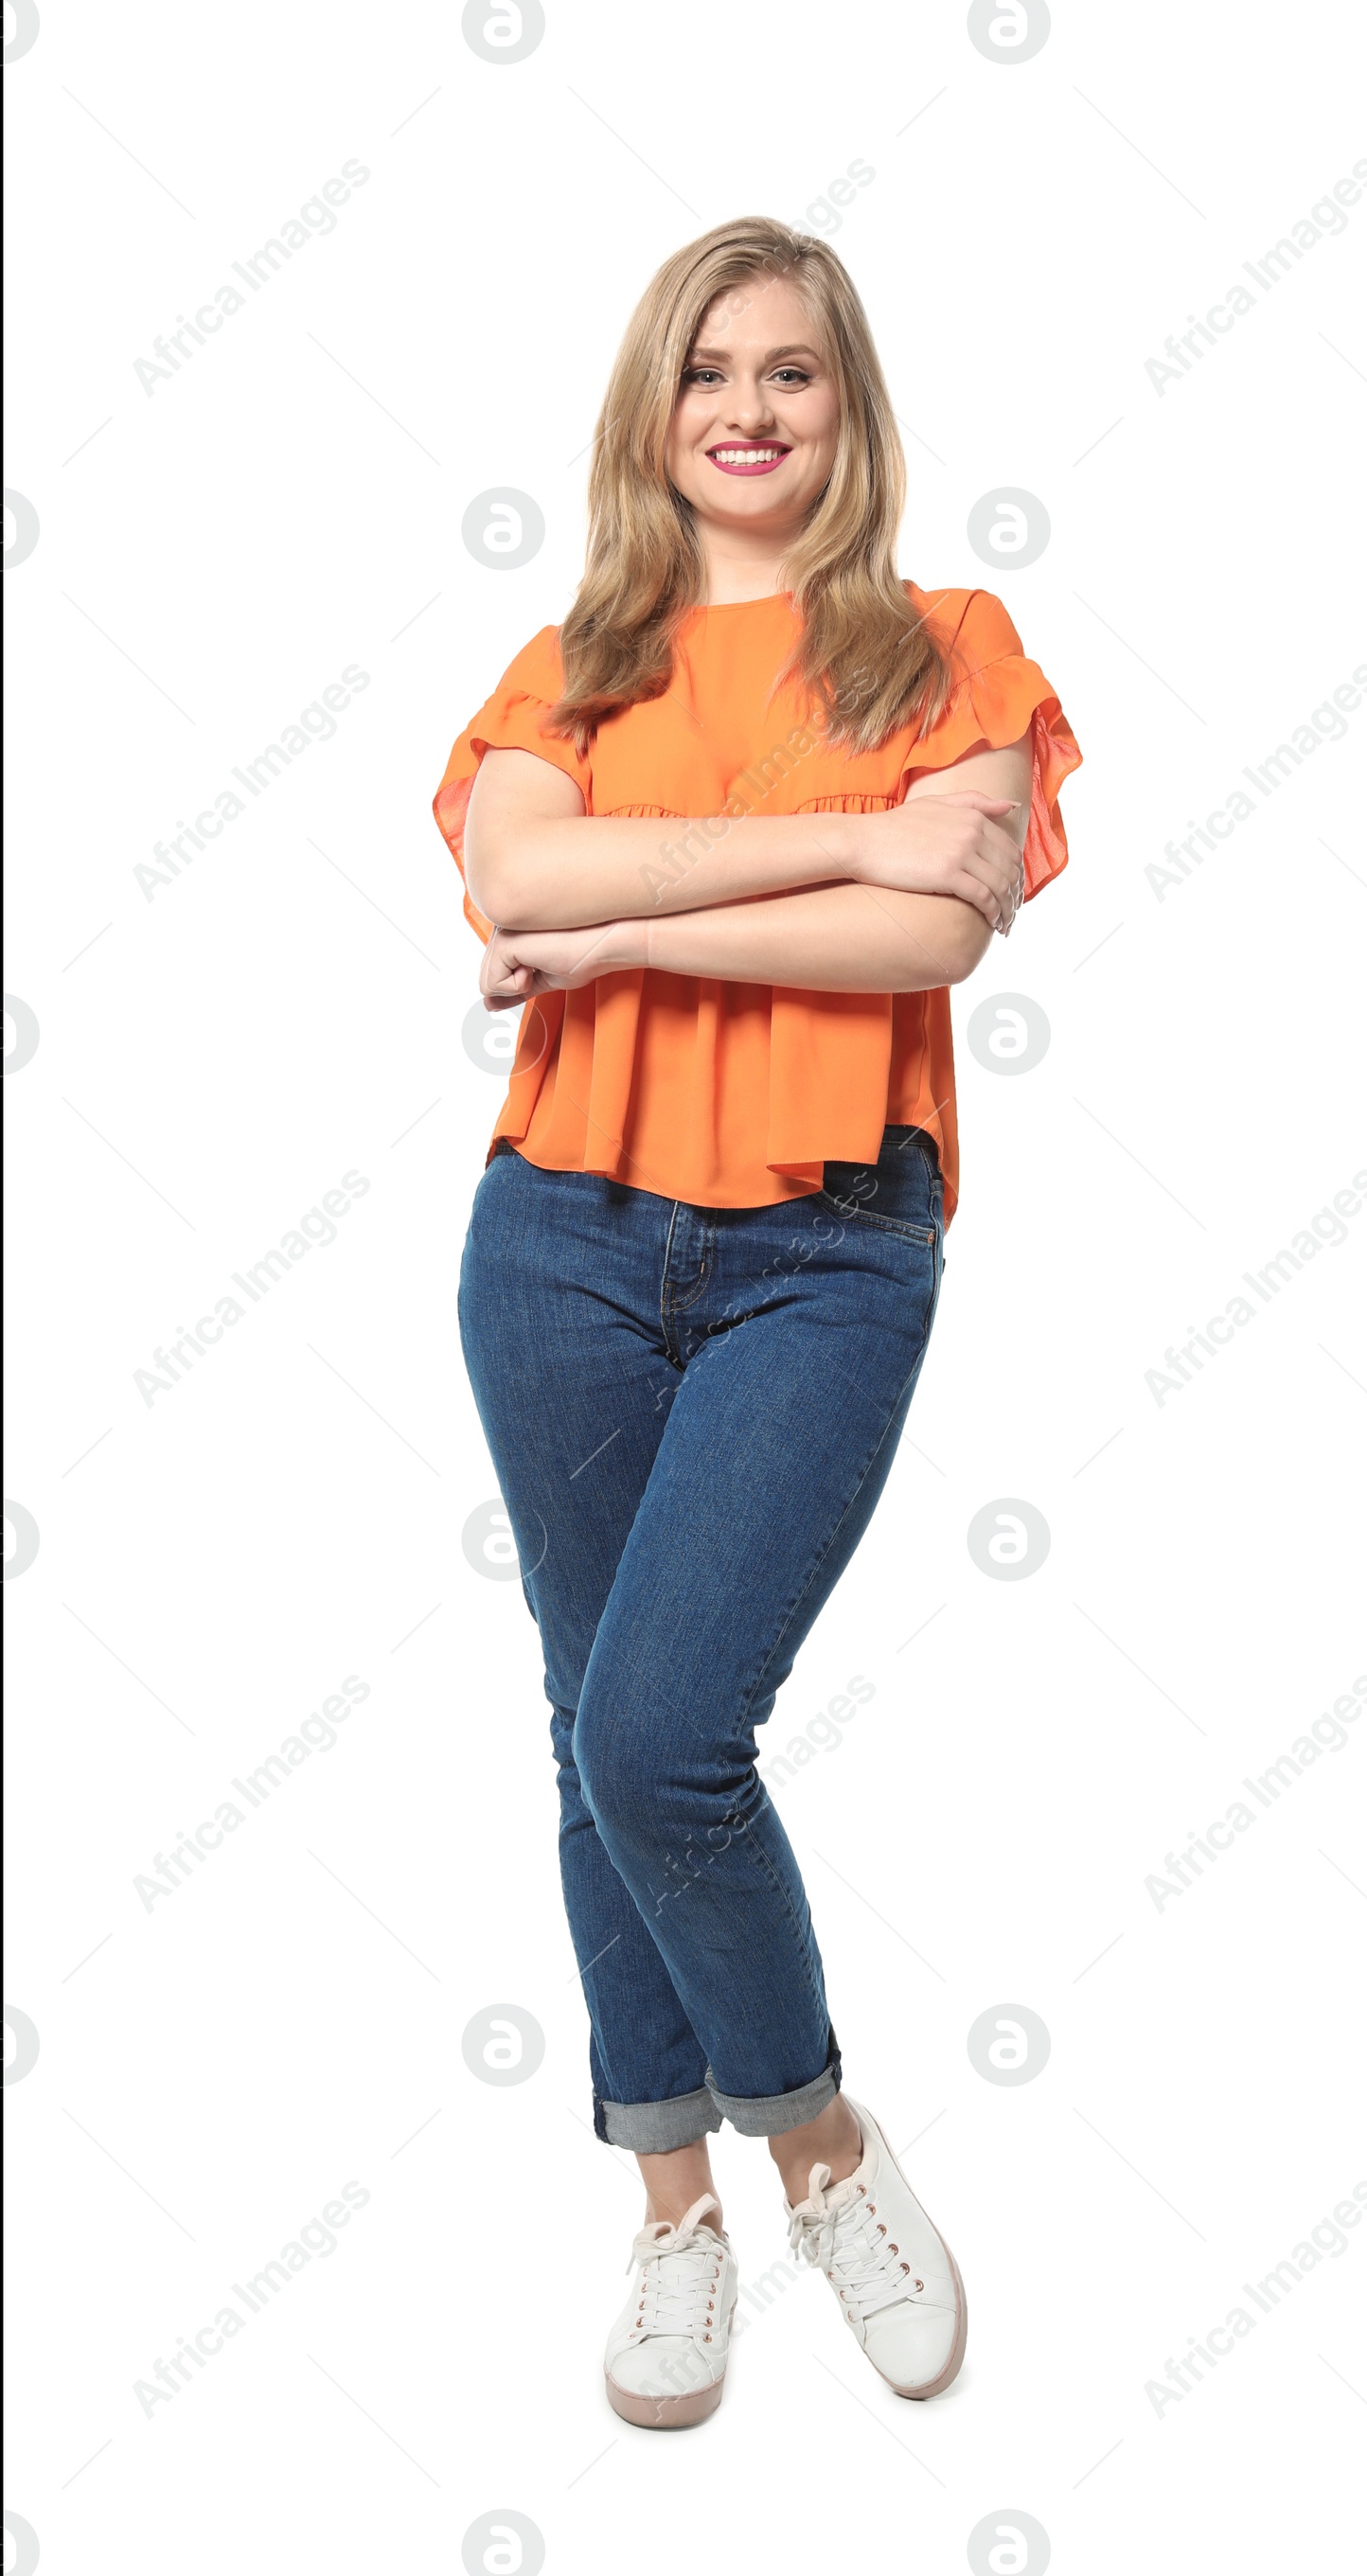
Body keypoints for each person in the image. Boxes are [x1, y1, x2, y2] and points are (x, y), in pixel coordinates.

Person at [434, 217, 1079, 2429]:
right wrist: (820, 848)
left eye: (792, 372)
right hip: (562, 1237)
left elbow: (931, 944)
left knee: (655, 1737)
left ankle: (815, 2146)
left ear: (846, 408)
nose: (747, 407)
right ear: (653, 409)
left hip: (822, 1246)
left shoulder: (946, 644)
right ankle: (674, 2204)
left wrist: (632, 910)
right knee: (581, 1730)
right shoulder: (572, 662)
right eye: (709, 369)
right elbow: (520, 876)